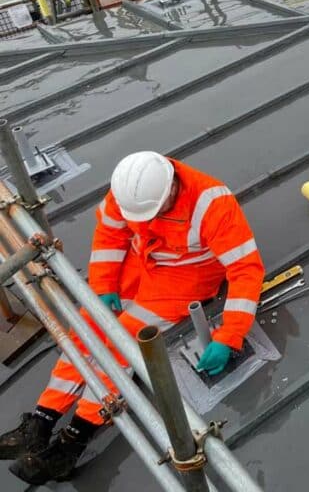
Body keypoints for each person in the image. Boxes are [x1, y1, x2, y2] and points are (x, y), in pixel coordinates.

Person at [0, 152, 264, 484]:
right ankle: (40, 421)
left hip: (187, 277)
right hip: (142, 263)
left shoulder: (212, 204)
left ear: (170, 190)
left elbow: (245, 270)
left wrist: (229, 335)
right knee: (88, 324)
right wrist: (104, 284)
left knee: (122, 340)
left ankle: (75, 437)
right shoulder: (128, 189)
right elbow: (110, 236)